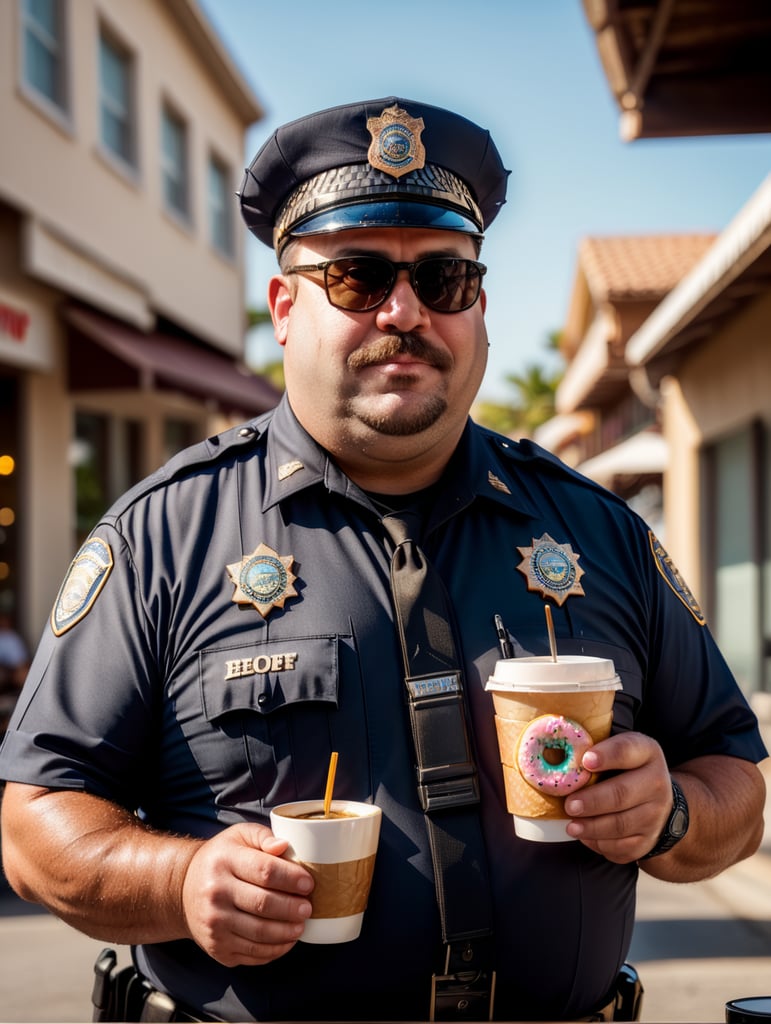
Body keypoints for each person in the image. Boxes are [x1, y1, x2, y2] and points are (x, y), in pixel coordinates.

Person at [0, 96, 766, 1023]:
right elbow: (36, 826)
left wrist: (671, 812)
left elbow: (733, 784)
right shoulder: (165, 534)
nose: (404, 313)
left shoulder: (599, 535)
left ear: (476, 305)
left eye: (443, 279)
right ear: (284, 307)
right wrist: (183, 879)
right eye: (357, 278)